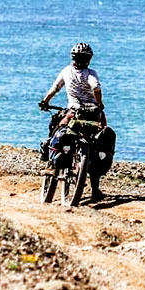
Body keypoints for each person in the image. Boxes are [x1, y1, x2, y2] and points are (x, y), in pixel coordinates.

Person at [39, 42, 109, 201]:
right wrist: (98, 105)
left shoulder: (66, 71)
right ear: (89, 59)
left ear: (73, 58)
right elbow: (96, 87)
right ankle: (95, 189)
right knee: (97, 145)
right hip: (94, 114)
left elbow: (55, 88)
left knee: (58, 129)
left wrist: (45, 101)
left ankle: (51, 160)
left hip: (74, 112)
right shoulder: (90, 73)